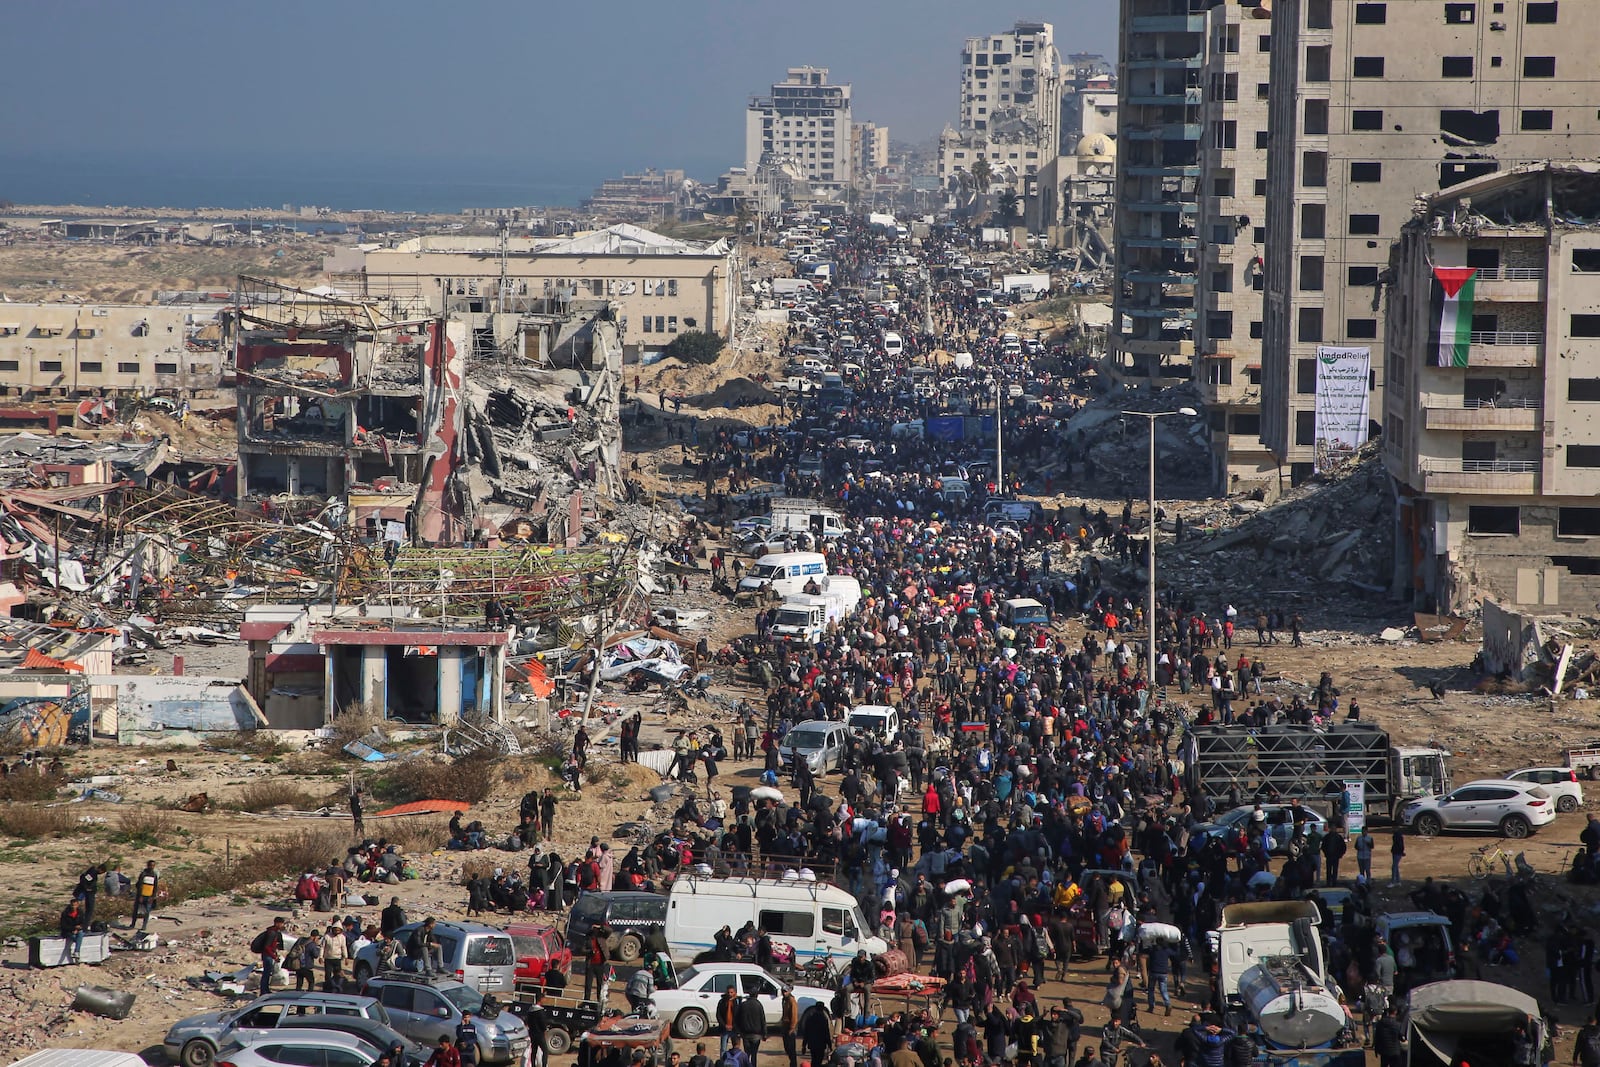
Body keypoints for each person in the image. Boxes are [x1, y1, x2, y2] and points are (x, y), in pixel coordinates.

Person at [253, 916, 287, 994]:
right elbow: (267, 947)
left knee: (268, 973)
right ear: (277, 923)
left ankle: (266, 990)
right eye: (281, 924)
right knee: (266, 974)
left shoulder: (274, 932)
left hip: (269, 955)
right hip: (267, 956)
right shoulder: (271, 933)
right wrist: (274, 956)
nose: (282, 925)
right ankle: (263, 991)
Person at [736, 988, 767, 1059]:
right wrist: (764, 1034)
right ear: (757, 995)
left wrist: (739, 1031)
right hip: (756, 1034)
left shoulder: (743, 1005)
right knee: (754, 1055)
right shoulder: (758, 1005)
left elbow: (737, 1019)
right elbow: (762, 1020)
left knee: (747, 1054)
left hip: (745, 1034)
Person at [131, 861, 159, 930]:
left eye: (153, 866)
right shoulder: (143, 874)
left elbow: (155, 887)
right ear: (148, 865)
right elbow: (139, 885)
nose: (152, 867)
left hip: (149, 896)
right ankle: (133, 924)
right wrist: (140, 895)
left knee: (147, 912)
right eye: (150, 865)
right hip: (141, 896)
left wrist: (152, 897)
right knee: (136, 911)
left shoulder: (154, 875)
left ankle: (144, 926)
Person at [848, 949, 875, 1021]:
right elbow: (852, 975)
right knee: (847, 989)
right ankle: (848, 1009)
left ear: (865, 957)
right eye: (859, 957)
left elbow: (872, 978)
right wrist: (854, 982)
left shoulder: (869, 965)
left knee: (867, 990)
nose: (860, 958)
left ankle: (866, 1013)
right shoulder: (855, 963)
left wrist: (865, 983)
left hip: (866, 982)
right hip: (857, 982)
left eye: (861, 957)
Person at [584, 925, 609, 1001]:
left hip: (600, 964)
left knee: (600, 984)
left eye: (597, 930)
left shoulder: (602, 937)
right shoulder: (588, 939)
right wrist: (590, 952)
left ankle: (599, 999)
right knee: (588, 984)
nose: (596, 931)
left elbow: (610, 930)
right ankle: (586, 1000)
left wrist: (601, 926)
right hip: (590, 964)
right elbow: (582, 950)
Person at [323, 920, 348, 992]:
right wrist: (321, 957)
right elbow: (323, 947)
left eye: (338, 930)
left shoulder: (342, 937)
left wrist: (346, 957)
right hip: (328, 958)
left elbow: (344, 947)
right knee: (328, 974)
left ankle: (337, 988)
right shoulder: (327, 936)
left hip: (337, 958)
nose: (337, 932)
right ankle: (328, 987)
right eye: (335, 930)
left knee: (337, 974)